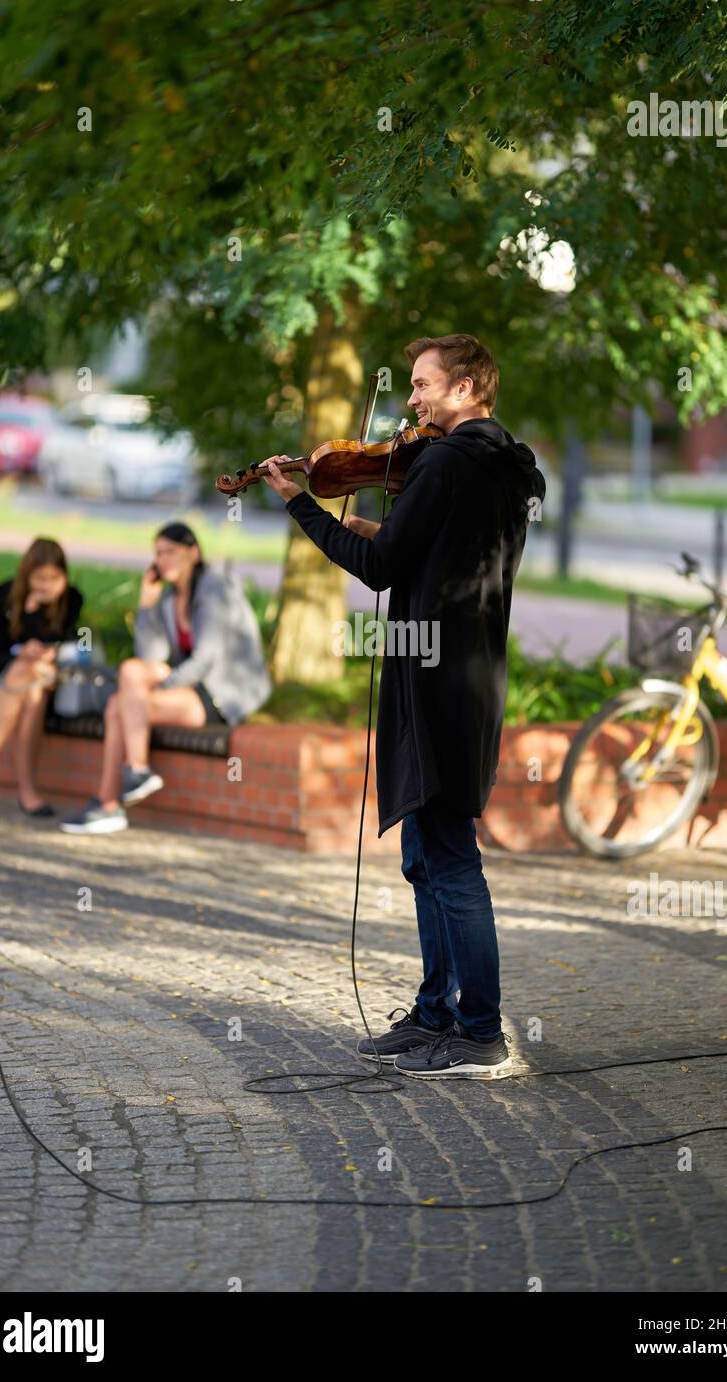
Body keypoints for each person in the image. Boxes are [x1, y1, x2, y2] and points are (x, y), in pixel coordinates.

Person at [261, 333, 545, 1080]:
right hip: (468, 672)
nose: (411, 400)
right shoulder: (505, 464)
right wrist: (369, 524)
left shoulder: (446, 461)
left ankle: (479, 1031)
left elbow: (383, 571)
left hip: (435, 680)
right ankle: (435, 1014)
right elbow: (433, 553)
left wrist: (301, 505)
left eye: (422, 385)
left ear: (466, 388)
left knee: (449, 859)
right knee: (426, 856)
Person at [60, 521, 271, 835]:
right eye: (158, 553)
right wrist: (146, 605)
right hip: (190, 686)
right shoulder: (171, 599)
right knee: (128, 682)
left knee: (122, 705)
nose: (163, 560)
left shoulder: (216, 589)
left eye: (171, 551)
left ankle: (112, 799)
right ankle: (132, 777)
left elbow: (204, 660)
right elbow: (150, 657)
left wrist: (156, 689)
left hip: (222, 691)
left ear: (194, 553)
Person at [0, 537, 83, 816]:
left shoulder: (72, 598)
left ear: (65, 576)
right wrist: (24, 641)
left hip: (56, 678)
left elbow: (81, 643)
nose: (47, 585)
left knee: (33, 677)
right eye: (39, 578)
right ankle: (28, 793)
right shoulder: (1, 597)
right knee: (30, 685)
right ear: (26, 575)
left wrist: (50, 650)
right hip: (15, 680)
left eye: (54, 578)